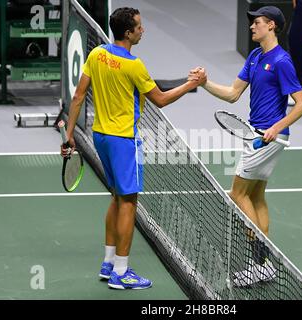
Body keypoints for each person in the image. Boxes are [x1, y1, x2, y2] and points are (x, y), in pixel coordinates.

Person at [61, 7, 206, 290]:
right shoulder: (134, 65)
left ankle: (108, 262)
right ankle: (121, 272)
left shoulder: (97, 54)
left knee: (117, 198)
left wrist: (69, 135)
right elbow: (160, 100)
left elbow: (78, 96)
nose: (143, 30)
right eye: (139, 27)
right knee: (128, 203)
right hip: (124, 141)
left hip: (99, 136)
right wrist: (192, 84)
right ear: (128, 33)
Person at [191, 6, 302, 286]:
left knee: (237, 194)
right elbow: (233, 94)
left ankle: (260, 263)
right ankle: (264, 264)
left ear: (271, 26)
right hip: (258, 136)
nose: (252, 27)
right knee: (255, 198)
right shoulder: (256, 57)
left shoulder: (281, 61)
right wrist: (205, 83)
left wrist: (275, 128)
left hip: (268, 138)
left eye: (257, 23)